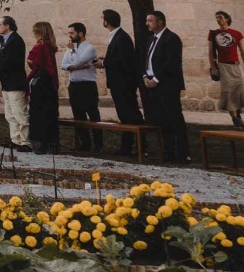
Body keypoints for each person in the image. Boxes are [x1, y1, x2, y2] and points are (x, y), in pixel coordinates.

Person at [141, 10, 189, 162]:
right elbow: (146, 60)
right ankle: (168, 152)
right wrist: (145, 76)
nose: (147, 23)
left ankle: (182, 153)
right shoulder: (150, 39)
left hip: (168, 85)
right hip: (152, 84)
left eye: (150, 20)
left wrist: (156, 78)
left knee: (174, 118)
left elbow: (172, 62)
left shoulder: (172, 38)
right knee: (161, 119)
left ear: (160, 22)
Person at [97, 9, 142, 155]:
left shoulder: (121, 37)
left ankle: (133, 146)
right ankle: (128, 146)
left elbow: (122, 60)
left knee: (129, 114)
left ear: (106, 21)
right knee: (124, 115)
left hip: (124, 83)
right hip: (119, 83)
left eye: (103, 18)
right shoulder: (116, 36)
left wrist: (104, 63)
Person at [62, 22, 102, 152]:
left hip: (87, 85)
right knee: (78, 115)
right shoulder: (70, 49)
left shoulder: (89, 48)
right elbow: (63, 65)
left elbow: (77, 62)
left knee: (93, 114)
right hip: (74, 85)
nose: (70, 35)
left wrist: (73, 56)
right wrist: (75, 66)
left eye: (72, 33)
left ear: (80, 33)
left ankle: (99, 145)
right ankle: (84, 144)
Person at [0, 16, 30, 151]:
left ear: (7, 26)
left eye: (0, 24)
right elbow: (1, 60)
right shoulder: (5, 40)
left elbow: (11, 62)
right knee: (10, 114)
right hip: (7, 82)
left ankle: (25, 141)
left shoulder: (15, 40)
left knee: (19, 112)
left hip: (15, 82)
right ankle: (15, 139)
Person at [26, 21, 60, 155]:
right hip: (49, 83)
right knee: (50, 113)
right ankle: (52, 143)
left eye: (35, 31)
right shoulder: (49, 46)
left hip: (41, 84)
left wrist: (31, 64)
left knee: (39, 114)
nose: (33, 33)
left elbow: (32, 61)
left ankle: (42, 143)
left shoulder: (41, 45)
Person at [208, 11, 244, 128]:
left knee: (239, 90)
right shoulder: (213, 34)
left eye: (220, 17)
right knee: (228, 91)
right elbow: (210, 52)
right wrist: (214, 68)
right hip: (223, 66)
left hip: (236, 66)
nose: (218, 19)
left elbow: (243, 52)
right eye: (216, 18)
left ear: (227, 19)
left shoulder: (237, 34)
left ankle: (238, 115)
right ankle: (235, 119)